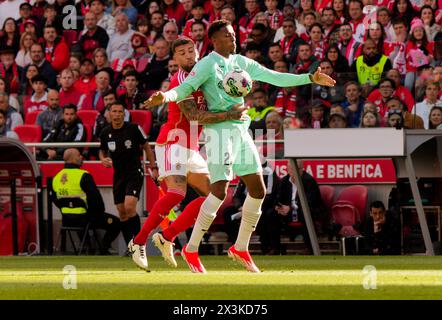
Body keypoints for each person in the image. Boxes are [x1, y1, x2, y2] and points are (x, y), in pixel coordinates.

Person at [145, 19, 335, 273]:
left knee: (258, 189)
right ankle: (191, 249)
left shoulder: (241, 62)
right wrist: (164, 96)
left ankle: (240, 247)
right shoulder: (206, 65)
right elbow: (184, 89)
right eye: (227, 35)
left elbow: (274, 76)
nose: (234, 38)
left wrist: (309, 77)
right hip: (218, 132)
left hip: (241, 130)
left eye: (234, 34)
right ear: (214, 40)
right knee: (219, 192)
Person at [128, 37, 247, 270]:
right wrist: (229, 115)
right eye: (182, 53)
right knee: (176, 194)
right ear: (175, 59)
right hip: (173, 141)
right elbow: (194, 116)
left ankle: (167, 236)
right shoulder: (180, 80)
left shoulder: (206, 76)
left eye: (191, 51)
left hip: (191, 146)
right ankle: (138, 242)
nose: (189, 56)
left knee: (215, 195)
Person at [99, 102, 158, 249]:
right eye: (114, 111)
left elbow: (147, 147)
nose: (117, 114)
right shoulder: (106, 132)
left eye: (120, 112)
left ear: (124, 114)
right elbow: (102, 150)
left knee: (129, 206)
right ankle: (130, 247)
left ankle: (140, 244)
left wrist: (153, 166)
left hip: (134, 172)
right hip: (118, 175)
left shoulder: (133, 128)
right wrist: (103, 159)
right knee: (122, 212)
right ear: (109, 113)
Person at [52, 148, 121, 255]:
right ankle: (104, 247)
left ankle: (87, 246)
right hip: (85, 219)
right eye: (79, 155)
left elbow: (56, 200)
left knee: (85, 219)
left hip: (66, 220)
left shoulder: (56, 178)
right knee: (116, 222)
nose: (81, 157)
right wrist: (98, 214)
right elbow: (96, 199)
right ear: (73, 158)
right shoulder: (84, 175)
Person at [274, 159, 326, 254]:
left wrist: (290, 207)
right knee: (270, 214)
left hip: (307, 211)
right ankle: (274, 248)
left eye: (296, 169)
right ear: (287, 169)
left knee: (305, 213)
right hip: (288, 213)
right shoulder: (284, 181)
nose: (293, 171)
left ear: (302, 169)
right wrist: (278, 207)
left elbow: (311, 202)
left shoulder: (309, 181)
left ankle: (309, 248)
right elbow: (278, 198)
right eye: (291, 168)